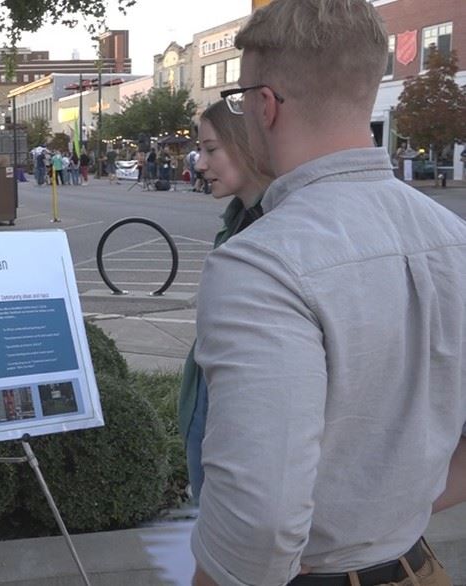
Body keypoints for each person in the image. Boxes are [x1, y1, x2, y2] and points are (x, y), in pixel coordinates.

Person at [191, 1, 466, 585]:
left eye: (240, 100)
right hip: (419, 566)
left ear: (265, 106)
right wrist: (389, 515)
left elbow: (258, 521)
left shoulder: (259, 263)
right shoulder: (454, 238)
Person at [178, 101, 273, 504]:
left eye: (211, 150)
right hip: (211, 412)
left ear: (246, 145)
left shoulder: (278, 229)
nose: (200, 164)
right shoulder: (238, 219)